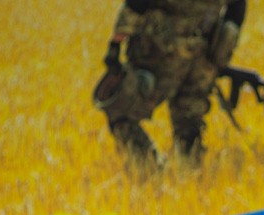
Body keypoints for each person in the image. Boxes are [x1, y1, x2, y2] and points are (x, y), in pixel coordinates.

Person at [93, 0, 246, 168]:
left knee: (119, 109)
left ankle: (153, 175)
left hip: (160, 52)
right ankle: (191, 179)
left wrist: (115, 44)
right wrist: (223, 45)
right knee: (189, 124)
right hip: (203, 55)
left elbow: (136, 4)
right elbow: (237, 7)